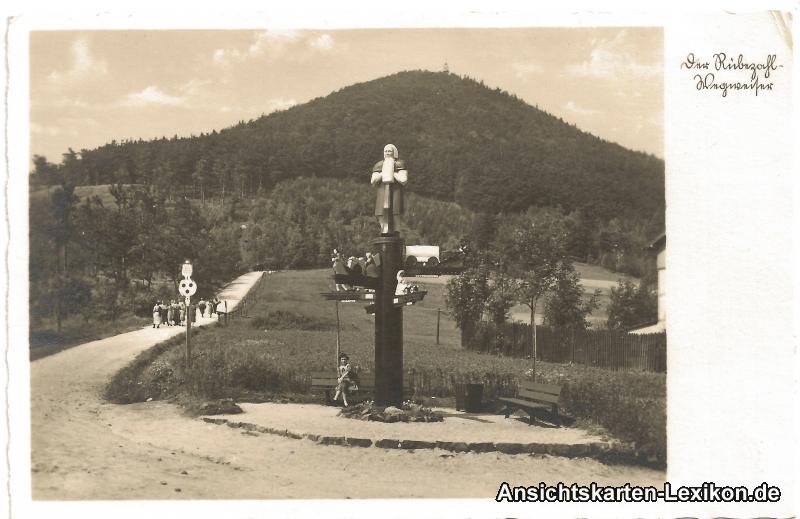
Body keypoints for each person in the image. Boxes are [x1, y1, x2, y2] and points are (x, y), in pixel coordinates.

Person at [370, 144, 408, 234]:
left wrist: (393, 172)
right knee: (380, 211)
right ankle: (384, 229)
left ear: (393, 152)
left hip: (395, 190)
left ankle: (396, 231)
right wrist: (383, 173)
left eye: (389, 151)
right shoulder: (379, 165)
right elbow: (373, 181)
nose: (387, 153)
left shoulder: (399, 164)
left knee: (396, 210)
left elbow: (403, 179)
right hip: (382, 190)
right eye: (386, 151)